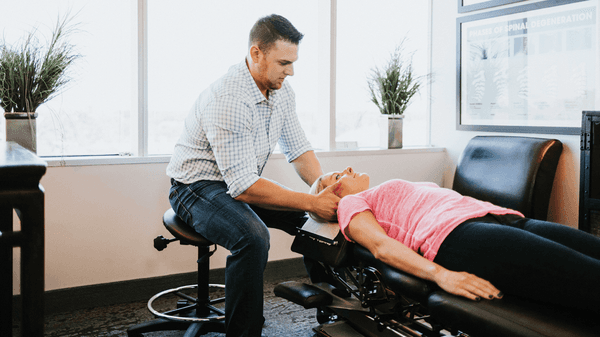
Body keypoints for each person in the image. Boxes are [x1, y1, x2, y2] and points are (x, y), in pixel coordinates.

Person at [167, 14, 340, 337]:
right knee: (253, 236)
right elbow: (244, 186)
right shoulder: (229, 99)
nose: (290, 71)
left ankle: (334, 309)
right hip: (195, 188)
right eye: (284, 62)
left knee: (316, 219)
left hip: (238, 181)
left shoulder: (281, 92)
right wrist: (313, 201)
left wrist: (322, 189)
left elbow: (299, 150)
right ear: (256, 53)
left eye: (293, 62)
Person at [308, 167, 600, 313]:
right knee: (587, 277)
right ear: (331, 196)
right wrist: (441, 275)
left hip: (498, 216)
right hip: (459, 236)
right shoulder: (350, 205)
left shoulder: (381, 189)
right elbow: (381, 248)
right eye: (336, 176)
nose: (347, 170)